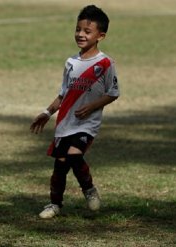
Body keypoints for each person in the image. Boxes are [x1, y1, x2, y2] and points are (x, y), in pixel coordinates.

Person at [30, 5, 119, 219]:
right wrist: (46, 112)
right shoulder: (71, 63)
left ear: (101, 36)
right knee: (60, 164)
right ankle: (54, 204)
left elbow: (113, 92)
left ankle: (89, 190)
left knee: (74, 154)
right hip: (65, 123)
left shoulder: (105, 63)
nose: (80, 34)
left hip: (87, 124)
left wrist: (92, 106)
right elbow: (63, 95)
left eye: (87, 31)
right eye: (78, 29)